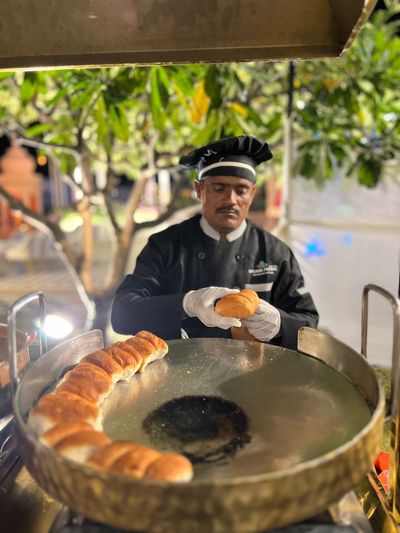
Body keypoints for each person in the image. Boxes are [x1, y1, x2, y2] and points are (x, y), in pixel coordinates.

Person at [111, 135, 319, 350]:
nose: (231, 199)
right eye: (219, 188)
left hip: (254, 374)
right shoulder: (165, 246)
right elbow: (122, 314)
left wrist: (278, 324)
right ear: (199, 190)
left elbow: (309, 323)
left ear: (252, 193)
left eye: (241, 190)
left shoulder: (275, 252)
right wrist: (186, 304)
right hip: (177, 373)